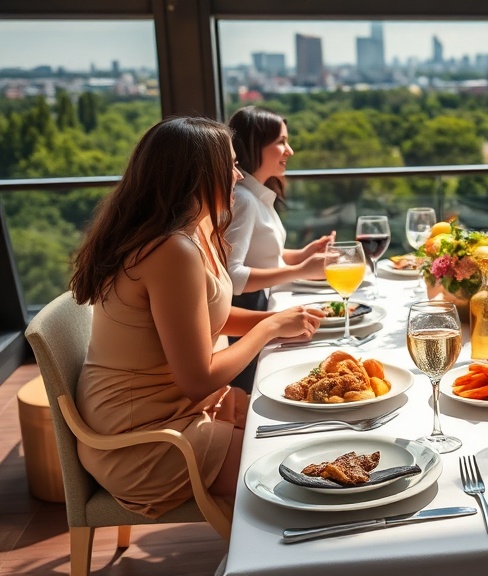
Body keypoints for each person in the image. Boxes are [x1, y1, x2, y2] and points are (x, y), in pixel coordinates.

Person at [69, 117, 323, 518]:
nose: (238, 175)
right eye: (231, 165)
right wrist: (270, 328)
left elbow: (208, 318)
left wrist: (279, 318)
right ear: (198, 176)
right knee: (300, 473)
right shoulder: (171, 251)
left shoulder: (197, 229)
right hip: (144, 443)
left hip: (177, 412)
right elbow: (197, 379)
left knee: (309, 424)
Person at [225, 106, 333, 391]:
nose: (290, 150)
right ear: (255, 146)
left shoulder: (256, 195)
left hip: (263, 307)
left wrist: (304, 254)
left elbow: (263, 255)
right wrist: (299, 270)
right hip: (249, 318)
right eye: (281, 142)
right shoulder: (244, 200)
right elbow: (232, 277)